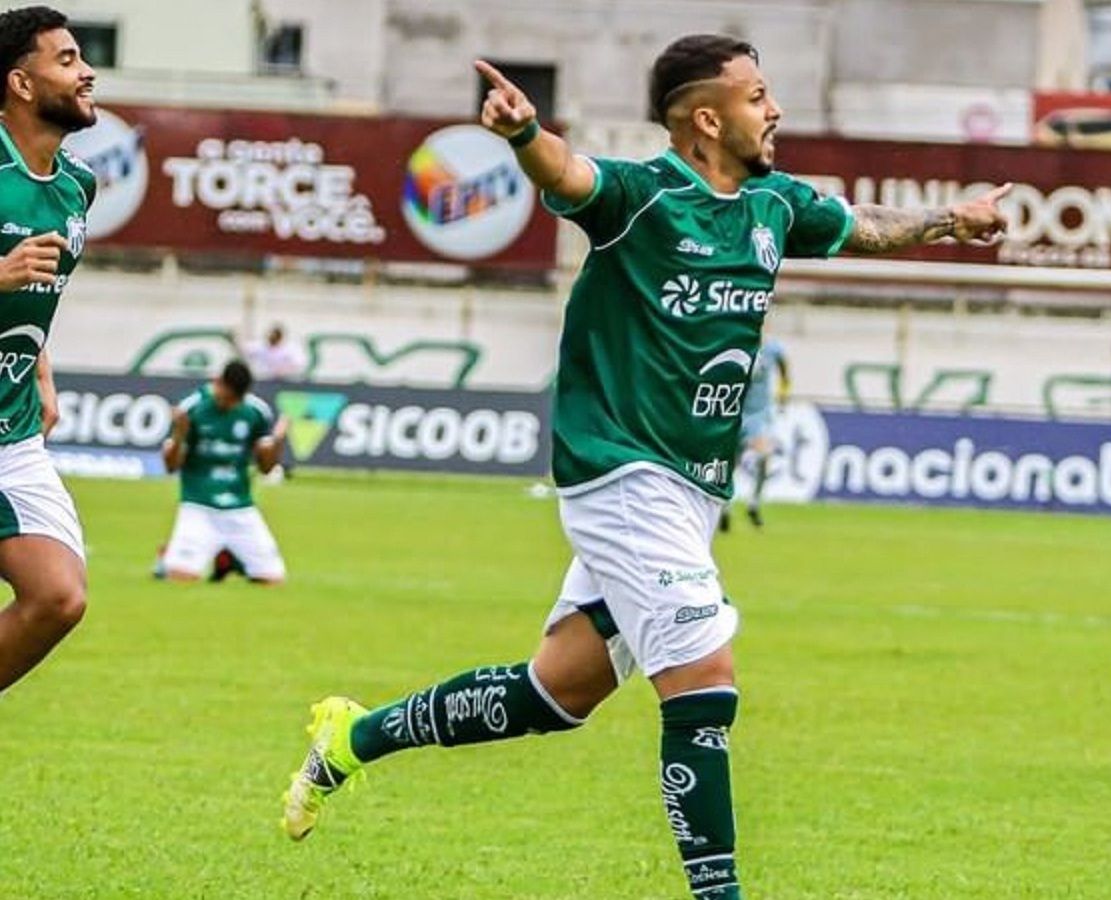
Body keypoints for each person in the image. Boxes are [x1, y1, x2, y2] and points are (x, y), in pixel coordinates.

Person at [281, 34, 1009, 899]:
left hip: (691, 491)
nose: (773, 110)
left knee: (554, 695)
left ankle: (352, 739)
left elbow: (865, 226)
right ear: (708, 117)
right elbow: (568, 174)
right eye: (758, 96)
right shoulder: (644, 196)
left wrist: (950, 220)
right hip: (621, 475)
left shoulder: (775, 205)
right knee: (705, 676)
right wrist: (522, 136)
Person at [0, 5, 98, 694]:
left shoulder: (76, 186)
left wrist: (40, 367)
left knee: (60, 596)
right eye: (65, 60)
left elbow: (36, 296)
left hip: (14, 435)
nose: (87, 70)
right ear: (22, 84)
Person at [155, 360, 289, 585]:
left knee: (273, 581)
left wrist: (277, 441)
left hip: (240, 508)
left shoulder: (256, 412)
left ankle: (227, 556)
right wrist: (179, 436)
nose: (228, 405)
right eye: (225, 398)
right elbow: (171, 466)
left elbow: (267, 469)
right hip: (198, 505)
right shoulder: (193, 407)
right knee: (180, 579)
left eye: (235, 401)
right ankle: (167, 557)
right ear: (218, 383)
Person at [720, 335, 789, 531]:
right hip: (735, 414)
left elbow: (785, 371)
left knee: (764, 456)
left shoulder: (772, 349)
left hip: (759, 415)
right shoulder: (735, 346)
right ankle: (725, 508)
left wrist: (783, 396)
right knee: (730, 464)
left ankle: (753, 504)